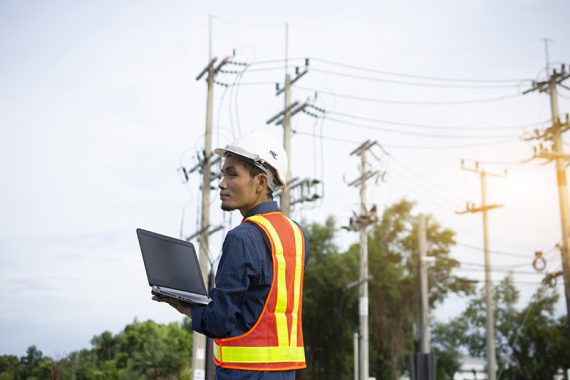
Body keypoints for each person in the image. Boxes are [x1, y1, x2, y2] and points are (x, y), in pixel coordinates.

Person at [153, 130, 310, 379]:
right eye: (223, 173)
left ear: (260, 182)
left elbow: (219, 321)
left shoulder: (242, 238)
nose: (222, 183)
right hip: (284, 373)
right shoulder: (297, 235)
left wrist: (184, 306)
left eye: (232, 174)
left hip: (244, 374)